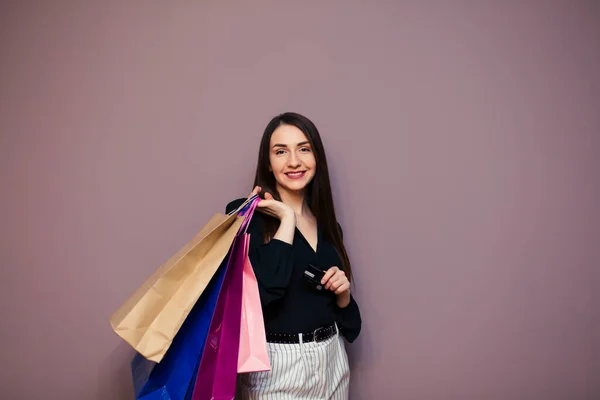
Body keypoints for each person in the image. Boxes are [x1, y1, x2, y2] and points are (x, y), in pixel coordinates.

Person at [226, 112, 361, 399]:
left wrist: (343, 295)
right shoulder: (245, 215)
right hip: (278, 367)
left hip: (333, 362)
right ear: (268, 162)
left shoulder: (329, 226)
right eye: (280, 151)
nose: (294, 161)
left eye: (304, 149)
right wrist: (286, 219)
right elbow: (266, 292)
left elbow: (352, 328)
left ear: (316, 157)